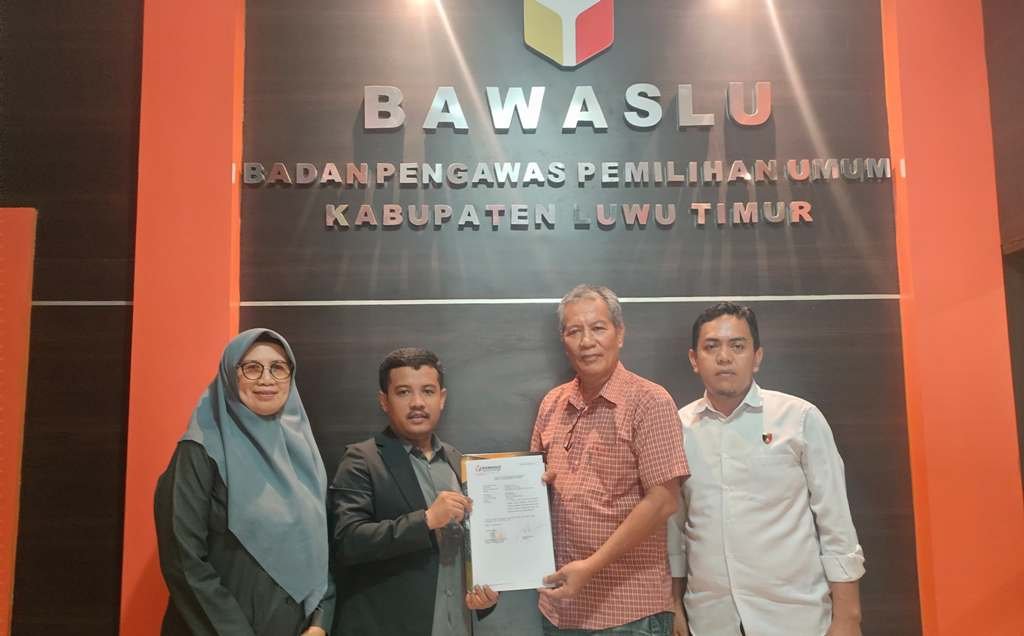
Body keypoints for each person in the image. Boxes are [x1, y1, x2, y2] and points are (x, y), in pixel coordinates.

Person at [669, 302, 865, 636]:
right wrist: (673, 603)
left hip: (795, 617)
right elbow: (673, 528)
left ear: (757, 357)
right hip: (712, 618)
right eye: (711, 346)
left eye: (737, 346)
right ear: (694, 359)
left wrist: (848, 617)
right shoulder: (677, 428)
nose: (724, 357)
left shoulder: (799, 419)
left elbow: (835, 522)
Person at [530, 284, 690, 635]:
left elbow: (664, 501)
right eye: (574, 331)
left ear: (620, 333)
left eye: (598, 328)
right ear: (563, 340)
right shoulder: (552, 404)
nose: (586, 341)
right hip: (561, 608)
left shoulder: (650, 401)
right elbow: (531, 496)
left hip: (629, 611)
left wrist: (590, 567)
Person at [154, 328, 334, 635]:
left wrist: (320, 622)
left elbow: (321, 547)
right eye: (252, 368)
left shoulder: (304, 453)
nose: (266, 379)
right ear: (229, 375)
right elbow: (183, 561)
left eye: (278, 367)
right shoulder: (199, 451)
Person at [330, 347, 498, 635]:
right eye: (404, 392)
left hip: (457, 625)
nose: (418, 403)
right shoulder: (362, 460)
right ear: (384, 400)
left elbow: (475, 550)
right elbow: (347, 542)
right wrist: (427, 520)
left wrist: (486, 597)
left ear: (442, 398)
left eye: (428, 391)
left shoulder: (460, 462)